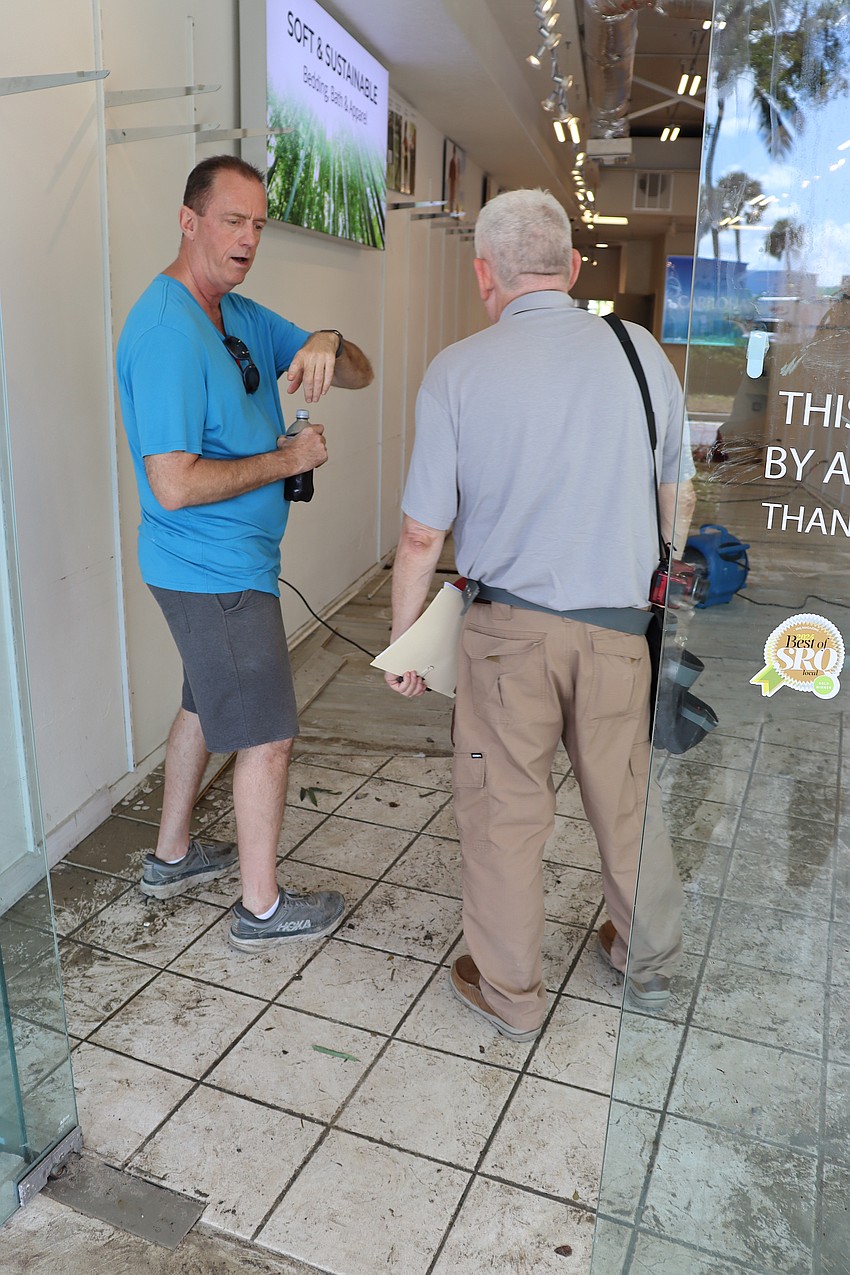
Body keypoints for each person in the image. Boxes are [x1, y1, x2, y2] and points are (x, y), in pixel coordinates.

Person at [385, 188, 695, 1041]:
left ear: (484, 272)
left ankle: (512, 992)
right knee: (625, 799)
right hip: (618, 630)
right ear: (575, 267)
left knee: (504, 810)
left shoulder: (457, 368)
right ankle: (649, 956)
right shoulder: (643, 355)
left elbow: (420, 535)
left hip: (504, 638)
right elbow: (678, 505)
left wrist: (405, 642)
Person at [117, 155, 373, 951]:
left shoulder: (242, 315)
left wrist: (329, 339)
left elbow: (359, 371)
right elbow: (174, 483)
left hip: (232, 565)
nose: (248, 238)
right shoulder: (166, 332)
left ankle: (172, 856)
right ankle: (261, 910)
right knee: (267, 734)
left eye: (258, 224)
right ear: (189, 220)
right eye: (233, 220)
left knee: (202, 702)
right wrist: (285, 462)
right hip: (211, 570)